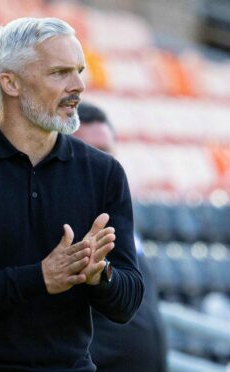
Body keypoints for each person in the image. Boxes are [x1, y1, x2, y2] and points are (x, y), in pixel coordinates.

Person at [0, 17, 144, 371]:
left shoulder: (104, 172)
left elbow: (127, 302)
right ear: (11, 83)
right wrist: (39, 278)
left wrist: (100, 275)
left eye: (79, 71)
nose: (78, 85)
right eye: (59, 72)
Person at [74, 102, 168, 372]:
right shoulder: (61, 228)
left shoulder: (119, 214)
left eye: (106, 152)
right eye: (89, 152)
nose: (101, 163)